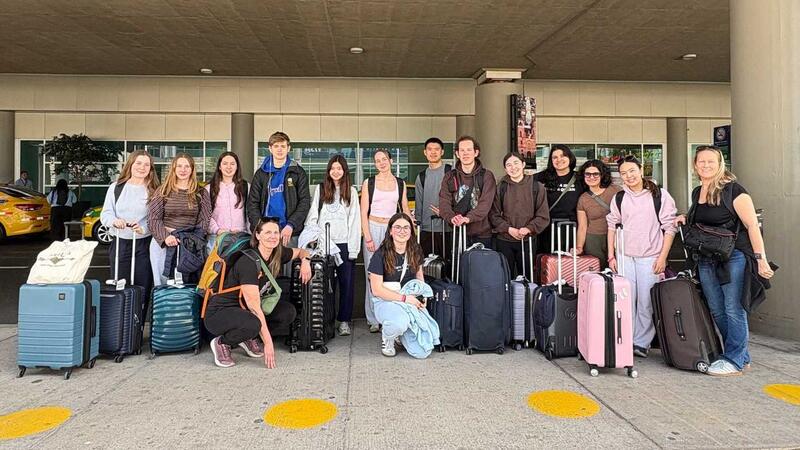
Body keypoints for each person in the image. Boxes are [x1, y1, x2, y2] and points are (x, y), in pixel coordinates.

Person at [676, 146, 774, 376]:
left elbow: (752, 226)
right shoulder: (697, 191)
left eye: (711, 161)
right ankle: (741, 355)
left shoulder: (734, 191)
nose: (706, 165)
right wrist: (685, 217)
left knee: (733, 309)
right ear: (695, 165)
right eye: (702, 162)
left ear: (720, 164)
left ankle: (733, 359)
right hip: (706, 257)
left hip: (734, 257)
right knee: (717, 309)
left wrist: (761, 259)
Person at [204, 217, 311, 369]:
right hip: (220, 312)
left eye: (276, 232)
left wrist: (305, 261)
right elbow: (254, 308)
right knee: (254, 322)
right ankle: (222, 343)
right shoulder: (248, 261)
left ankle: (248, 337)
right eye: (267, 232)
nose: (273, 236)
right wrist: (268, 344)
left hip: (243, 310)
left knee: (288, 312)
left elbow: (301, 251)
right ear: (258, 236)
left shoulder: (276, 253)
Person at [606, 155, 677, 359]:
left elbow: (670, 228)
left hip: (650, 256)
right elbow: (612, 226)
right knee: (626, 301)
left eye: (632, 171)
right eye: (623, 174)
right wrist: (611, 256)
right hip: (625, 256)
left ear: (640, 170)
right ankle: (625, 339)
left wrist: (662, 257)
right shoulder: (619, 198)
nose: (628, 176)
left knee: (645, 302)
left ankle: (641, 342)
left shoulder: (659, 195)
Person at [305, 155, 361, 336]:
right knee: (325, 284)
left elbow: (355, 221)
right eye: (332, 168)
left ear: (344, 171)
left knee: (347, 284)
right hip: (324, 244)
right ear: (328, 171)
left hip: (344, 244)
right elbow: (313, 216)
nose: (336, 171)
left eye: (339, 168)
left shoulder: (351, 192)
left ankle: (344, 320)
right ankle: (323, 320)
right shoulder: (321, 190)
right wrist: (312, 239)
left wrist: (353, 249)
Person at [368, 213, 437, 359]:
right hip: (386, 301)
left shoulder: (415, 250)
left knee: (422, 352)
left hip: (409, 301)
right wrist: (406, 299)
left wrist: (423, 297)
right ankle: (388, 337)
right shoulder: (380, 254)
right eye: (397, 227)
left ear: (411, 231)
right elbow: (377, 290)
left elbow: (419, 278)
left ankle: (399, 332)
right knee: (399, 323)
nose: (402, 231)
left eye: (406, 227)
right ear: (391, 231)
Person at [360, 149, 412, 333]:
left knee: (393, 272)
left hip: (393, 230)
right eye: (377, 161)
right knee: (372, 274)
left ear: (390, 160)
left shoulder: (400, 183)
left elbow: (404, 208)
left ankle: (391, 314)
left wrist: (408, 230)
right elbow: (363, 211)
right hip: (374, 227)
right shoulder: (369, 183)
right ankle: (373, 317)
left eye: (384, 159)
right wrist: (367, 236)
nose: (381, 163)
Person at [100, 150, 159, 304]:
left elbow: (157, 217)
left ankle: (137, 324)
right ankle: (122, 324)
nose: (142, 167)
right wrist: (114, 221)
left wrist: (143, 228)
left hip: (144, 244)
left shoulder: (154, 190)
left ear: (151, 168)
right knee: (120, 286)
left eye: (146, 164)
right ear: (131, 164)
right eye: (138, 163)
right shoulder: (116, 187)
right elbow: (106, 214)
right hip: (120, 243)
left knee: (142, 287)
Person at [147, 153, 211, 286]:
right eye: (179, 166)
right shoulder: (163, 191)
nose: (183, 170)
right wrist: (165, 237)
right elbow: (153, 218)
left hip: (189, 245)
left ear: (192, 169)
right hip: (164, 243)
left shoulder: (201, 192)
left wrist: (192, 240)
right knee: (163, 283)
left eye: (187, 166)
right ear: (174, 169)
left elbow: (204, 219)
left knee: (187, 283)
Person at [490, 152, 550, 278]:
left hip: (528, 240)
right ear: (505, 169)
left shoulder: (536, 186)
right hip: (504, 240)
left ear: (523, 164)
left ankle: (528, 298)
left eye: (516, 163)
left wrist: (529, 228)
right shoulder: (500, 187)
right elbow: (494, 215)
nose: (513, 167)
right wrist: (508, 229)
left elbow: (543, 215)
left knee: (528, 277)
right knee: (505, 277)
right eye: (509, 165)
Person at [246, 132, 310, 248]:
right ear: (270, 148)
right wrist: (260, 227)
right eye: (276, 146)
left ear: (288, 148)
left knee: (289, 265)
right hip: (266, 233)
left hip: (289, 232)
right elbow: (252, 204)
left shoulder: (297, 172)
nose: (279, 149)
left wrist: (291, 225)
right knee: (266, 266)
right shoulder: (261, 174)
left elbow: (304, 202)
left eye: (283, 146)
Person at [438, 135, 497, 249]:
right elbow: (444, 201)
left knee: (481, 266)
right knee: (459, 266)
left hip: (482, 234)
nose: (465, 153)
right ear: (457, 154)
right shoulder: (450, 176)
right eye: (462, 150)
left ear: (476, 152)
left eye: (469, 150)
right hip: (457, 231)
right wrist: (451, 217)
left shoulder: (486, 176)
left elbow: (485, 204)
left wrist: (468, 218)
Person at [533, 144, 585, 253]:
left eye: (563, 156)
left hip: (572, 228)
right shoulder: (540, 178)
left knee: (569, 265)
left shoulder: (580, 178)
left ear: (570, 158)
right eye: (555, 157)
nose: (559, 160)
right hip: (546, 229)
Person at [575, 160, 622, 269]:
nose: (591, 177)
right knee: (597, 272)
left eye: (596, 174)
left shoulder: (616, 191)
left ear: (602, 175)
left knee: (619, 269)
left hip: (617, 237)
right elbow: (582, 226)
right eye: (588, 174)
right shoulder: (583, 199)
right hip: (594, 240)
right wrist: (579, 247)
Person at [414, 137, 452, 257]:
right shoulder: (421, 176)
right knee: (427, 267)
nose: (433, 152)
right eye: (430, 149)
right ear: (425, 152)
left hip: (447, 229)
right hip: (426, 230)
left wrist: (447, 213)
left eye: (437, 149)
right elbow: (418, 203)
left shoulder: (450, 172)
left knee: (447, 267)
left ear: (442, 152)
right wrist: (418, 223)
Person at [206, 152, 249, 252]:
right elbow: (205, 215)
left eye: (232, 164)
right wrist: (218, 230)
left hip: (240, 238)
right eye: (225, 163)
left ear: (237, 166)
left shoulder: (246, 187)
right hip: (216, 238)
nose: (229, 167)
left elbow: (250, 212)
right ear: (219, 167)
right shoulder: (209, 188)